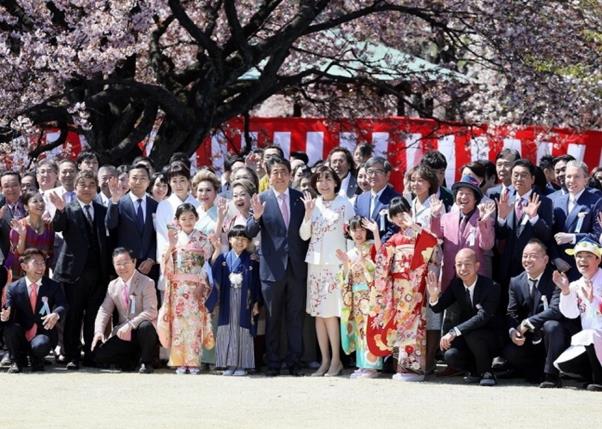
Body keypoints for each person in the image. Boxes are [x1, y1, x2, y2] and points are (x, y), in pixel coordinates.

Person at [246, 156, 309, 376]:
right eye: (275, 172)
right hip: (271, 270)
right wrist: (256, 218)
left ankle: (294, 363)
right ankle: (272, 363)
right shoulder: (261, 199)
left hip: (297, 268)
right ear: (269, 176)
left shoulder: (300, 198)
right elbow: (249, 232)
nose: (280, 176)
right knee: (272, 319)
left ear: (290, 175)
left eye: (283, 171)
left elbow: (307, 233)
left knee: (295, 317)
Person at [366, 197, 439, 381]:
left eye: (402, 213)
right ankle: (402, 368)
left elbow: (431, 243)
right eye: (395, 215)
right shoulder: (395, 239)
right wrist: (375, 233)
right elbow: (381, 259)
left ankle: (414, 370)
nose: (400, 218)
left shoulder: (419, 232)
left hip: (415, 287)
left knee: (414, 326)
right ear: (390, 219)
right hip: (398, 289)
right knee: (399, 327)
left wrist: (414, 226)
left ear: (409, 212)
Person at [49, 170, 111, 370]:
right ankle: (72, 355)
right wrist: (59, 210)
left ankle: (92, 355)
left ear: (96, 188)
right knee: (73, 316)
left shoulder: (102, 210)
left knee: (93, 315)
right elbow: (58, 227)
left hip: (97, 273)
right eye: (82, 185)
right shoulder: (68, 208)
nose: (87, 189)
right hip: (73, 273)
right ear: (75, 188)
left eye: (91, 185)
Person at [299, 165, 354, 377]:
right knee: (318, 315)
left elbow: (351, 235)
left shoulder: (344, 204)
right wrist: (308, 214)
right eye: (320, 180)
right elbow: (304, 235)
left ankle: (336, 361)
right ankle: (324, 360)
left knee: (331, 314)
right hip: (315, 263)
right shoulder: (314, 205)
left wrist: (349, 263)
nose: (324, 183)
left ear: (335, 182)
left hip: (335, 264)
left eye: (328, 179)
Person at [427, 248, 502, 386]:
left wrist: (453, 332)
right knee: (450, 355)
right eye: (459, 265)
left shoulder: (491, 286)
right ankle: (473, 371)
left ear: (477, 266)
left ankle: (487, 372)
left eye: (467, 264)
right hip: (468, 336)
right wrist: (433, 296)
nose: (463, 268)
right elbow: (438, 308)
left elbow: (483, 317)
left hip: (491, 337)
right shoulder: (456, 284)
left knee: (474, 335)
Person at [503, 239, 571, 388]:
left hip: (552, 338)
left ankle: (551, 375)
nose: (527, 260)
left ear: (545, 259)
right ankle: (532, 372)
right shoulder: (515, 281)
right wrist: (513, 331)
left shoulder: (556, 278)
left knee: (552, 326)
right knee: (509, 351)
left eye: (532, 256)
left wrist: (527, 323)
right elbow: (511, 312)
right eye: (524, 256)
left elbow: (556, 310)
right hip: (530, 338)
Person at [157, 203, 215, 374]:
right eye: (183, 218)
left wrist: (201, 284)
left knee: (194, 325)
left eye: (191, 217)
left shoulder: (203, 239)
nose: (188, 221)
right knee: (179, 325)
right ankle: (179, 361)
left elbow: (206, 265)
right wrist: (172, 246)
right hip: (178, 289)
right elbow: (166, 264)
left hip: (195, 288)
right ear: (177, 220)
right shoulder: (174, 238)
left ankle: (193, 361)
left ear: (196, 218)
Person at [91, 248, 159, 374]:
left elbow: (151, 311)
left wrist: (130, 325)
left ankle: (146, 362)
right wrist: (99, 331)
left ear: (134, 262)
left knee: (146, 326)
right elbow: (105, 310)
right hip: (123, 333)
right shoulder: (113, 285)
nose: (122, 267)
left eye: (126, 263)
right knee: (98, 356)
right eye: (118, 264)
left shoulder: (147, 282)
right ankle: (131, 359)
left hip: (140, 330)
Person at [1, 248, 66, 373]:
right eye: (36, 263)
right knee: (10, 328)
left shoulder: (53, 285)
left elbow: (62, 304)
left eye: (42, 263)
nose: (41, 267)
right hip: (22, 333)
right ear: (24, 266)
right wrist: (5, 315)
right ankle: (17, 361)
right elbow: (7, 307)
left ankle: (37, 359)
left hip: (43, 333)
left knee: (41, 345)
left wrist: (56, 314)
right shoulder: (14, 288)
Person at [209, 226, 261, 376]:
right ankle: (228, 364)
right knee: (227, 329)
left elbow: (256, 283)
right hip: (227, 298)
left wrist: (256, 302)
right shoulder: (223, 258)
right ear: (230, 240)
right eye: (236, 238)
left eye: (244, 239)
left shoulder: (252, 260)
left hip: (245, 300)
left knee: (243, 330)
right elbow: (214, 274)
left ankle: (242, 365)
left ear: (249, 242)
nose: (240, 242)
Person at [496, 159, 553, 293]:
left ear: (532, 179)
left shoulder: (544, 202)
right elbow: (500, 235)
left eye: (524, 175)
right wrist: (501, 218)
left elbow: (546, 235)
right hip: (507, 267)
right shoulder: (506, 201)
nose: (519, 179)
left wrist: (534, 217)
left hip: (531, 267)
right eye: (515, 175)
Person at [336, 216, 382, 378]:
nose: (359, 233)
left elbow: (381, 259)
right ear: (349, 231)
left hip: (370, 295)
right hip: (356, 295)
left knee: (369, 329)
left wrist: (376, 233)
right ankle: (362, 365)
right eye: (355, 229)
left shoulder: (371, 247)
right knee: (359, 330)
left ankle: (372, 366)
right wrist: (346, 263)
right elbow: (345, 278)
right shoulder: (351, 252)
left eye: (362, 230)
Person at [553, 238, 602, 391]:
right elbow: (571, 314)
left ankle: (599, 380)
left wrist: (594, 299)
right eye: (579, 256)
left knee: (589, 336)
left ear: (598, 259)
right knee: (565, 365)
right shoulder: (576, 284)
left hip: (597, 336)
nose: (582, 260)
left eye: (588, 256)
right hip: (591, 341)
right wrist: (566, 291)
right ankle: (591, 377)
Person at [106, 164, 158, 281]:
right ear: (128, 181)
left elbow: (157, 235)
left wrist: (151, 259)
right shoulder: (119, 202)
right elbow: (110, 225)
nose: (138, 181)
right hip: (125, 263)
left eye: (143, 178)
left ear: (149, 182)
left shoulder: (155, 205)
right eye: (134, 178)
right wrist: (114, 201)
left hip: (149, 266)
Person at [551, 161, 602, 280]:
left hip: (584, 265)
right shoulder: (557, 201)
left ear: (586, 180)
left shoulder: (596, 202)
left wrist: (572, 237)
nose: (571, 180)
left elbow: (597, 235)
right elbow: (550, 234)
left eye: (576, 176)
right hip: (558, 265)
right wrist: (556, 258)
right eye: (568, 176)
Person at [353, 156, 400, 242]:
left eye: (378, 171)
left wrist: (377, 247)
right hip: (364, 250)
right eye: (370, 171)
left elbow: (395, 228)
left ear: (387, 175)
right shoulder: (360, 199)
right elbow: (358, 226)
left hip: (387, 249)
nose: (373, 175)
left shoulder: (396, 199)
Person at [9, 192, 54, 278]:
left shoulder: (49, 226)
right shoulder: (19, 226)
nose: (40, 204)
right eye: (35, 201)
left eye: (41, 200)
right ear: (26, 207)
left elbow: (50, 251)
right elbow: (18, 254)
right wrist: (22, 235)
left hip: (42, 274)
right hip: (21, 275)